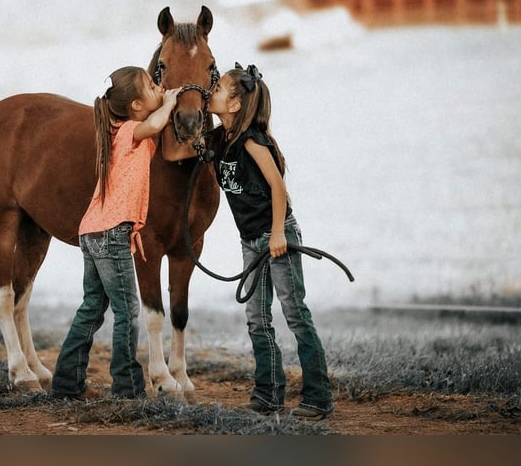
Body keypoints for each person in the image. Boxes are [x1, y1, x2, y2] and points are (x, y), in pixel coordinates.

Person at [206, 62, 334, 419]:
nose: (211, 92)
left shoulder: (252, 141)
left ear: (234, 105)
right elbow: (177, 152)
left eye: (218, 90)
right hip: (251, 241)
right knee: (257, 318)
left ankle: (318, 397)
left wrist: (278, 233)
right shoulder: (220, 140)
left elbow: (278, 187)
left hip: (277, 236)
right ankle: (268, 394)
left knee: (295, 313)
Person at [51, 65, 186, 400]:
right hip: (110, 234)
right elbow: (154, 124)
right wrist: (169, 104)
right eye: (151, 86)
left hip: (92, 231)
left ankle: (67, 383)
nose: (159, 86)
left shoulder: (116, 131)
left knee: (93, 307)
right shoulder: (128, 130)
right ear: (136, 107)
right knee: (127, 310)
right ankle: (127, 387)